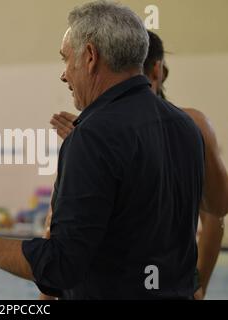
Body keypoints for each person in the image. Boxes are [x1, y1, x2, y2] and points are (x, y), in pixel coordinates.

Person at [0, 1, 205, 299]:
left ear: (90, 56)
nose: (64, 75)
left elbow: (62, 266)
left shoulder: (92, 136)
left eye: (66, 60)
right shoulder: (185, 126)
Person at [48, 30, 228, 299]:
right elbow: (62, 224)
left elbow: (216, 211)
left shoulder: (191, 124)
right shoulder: (98, 131)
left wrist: (199, 282)